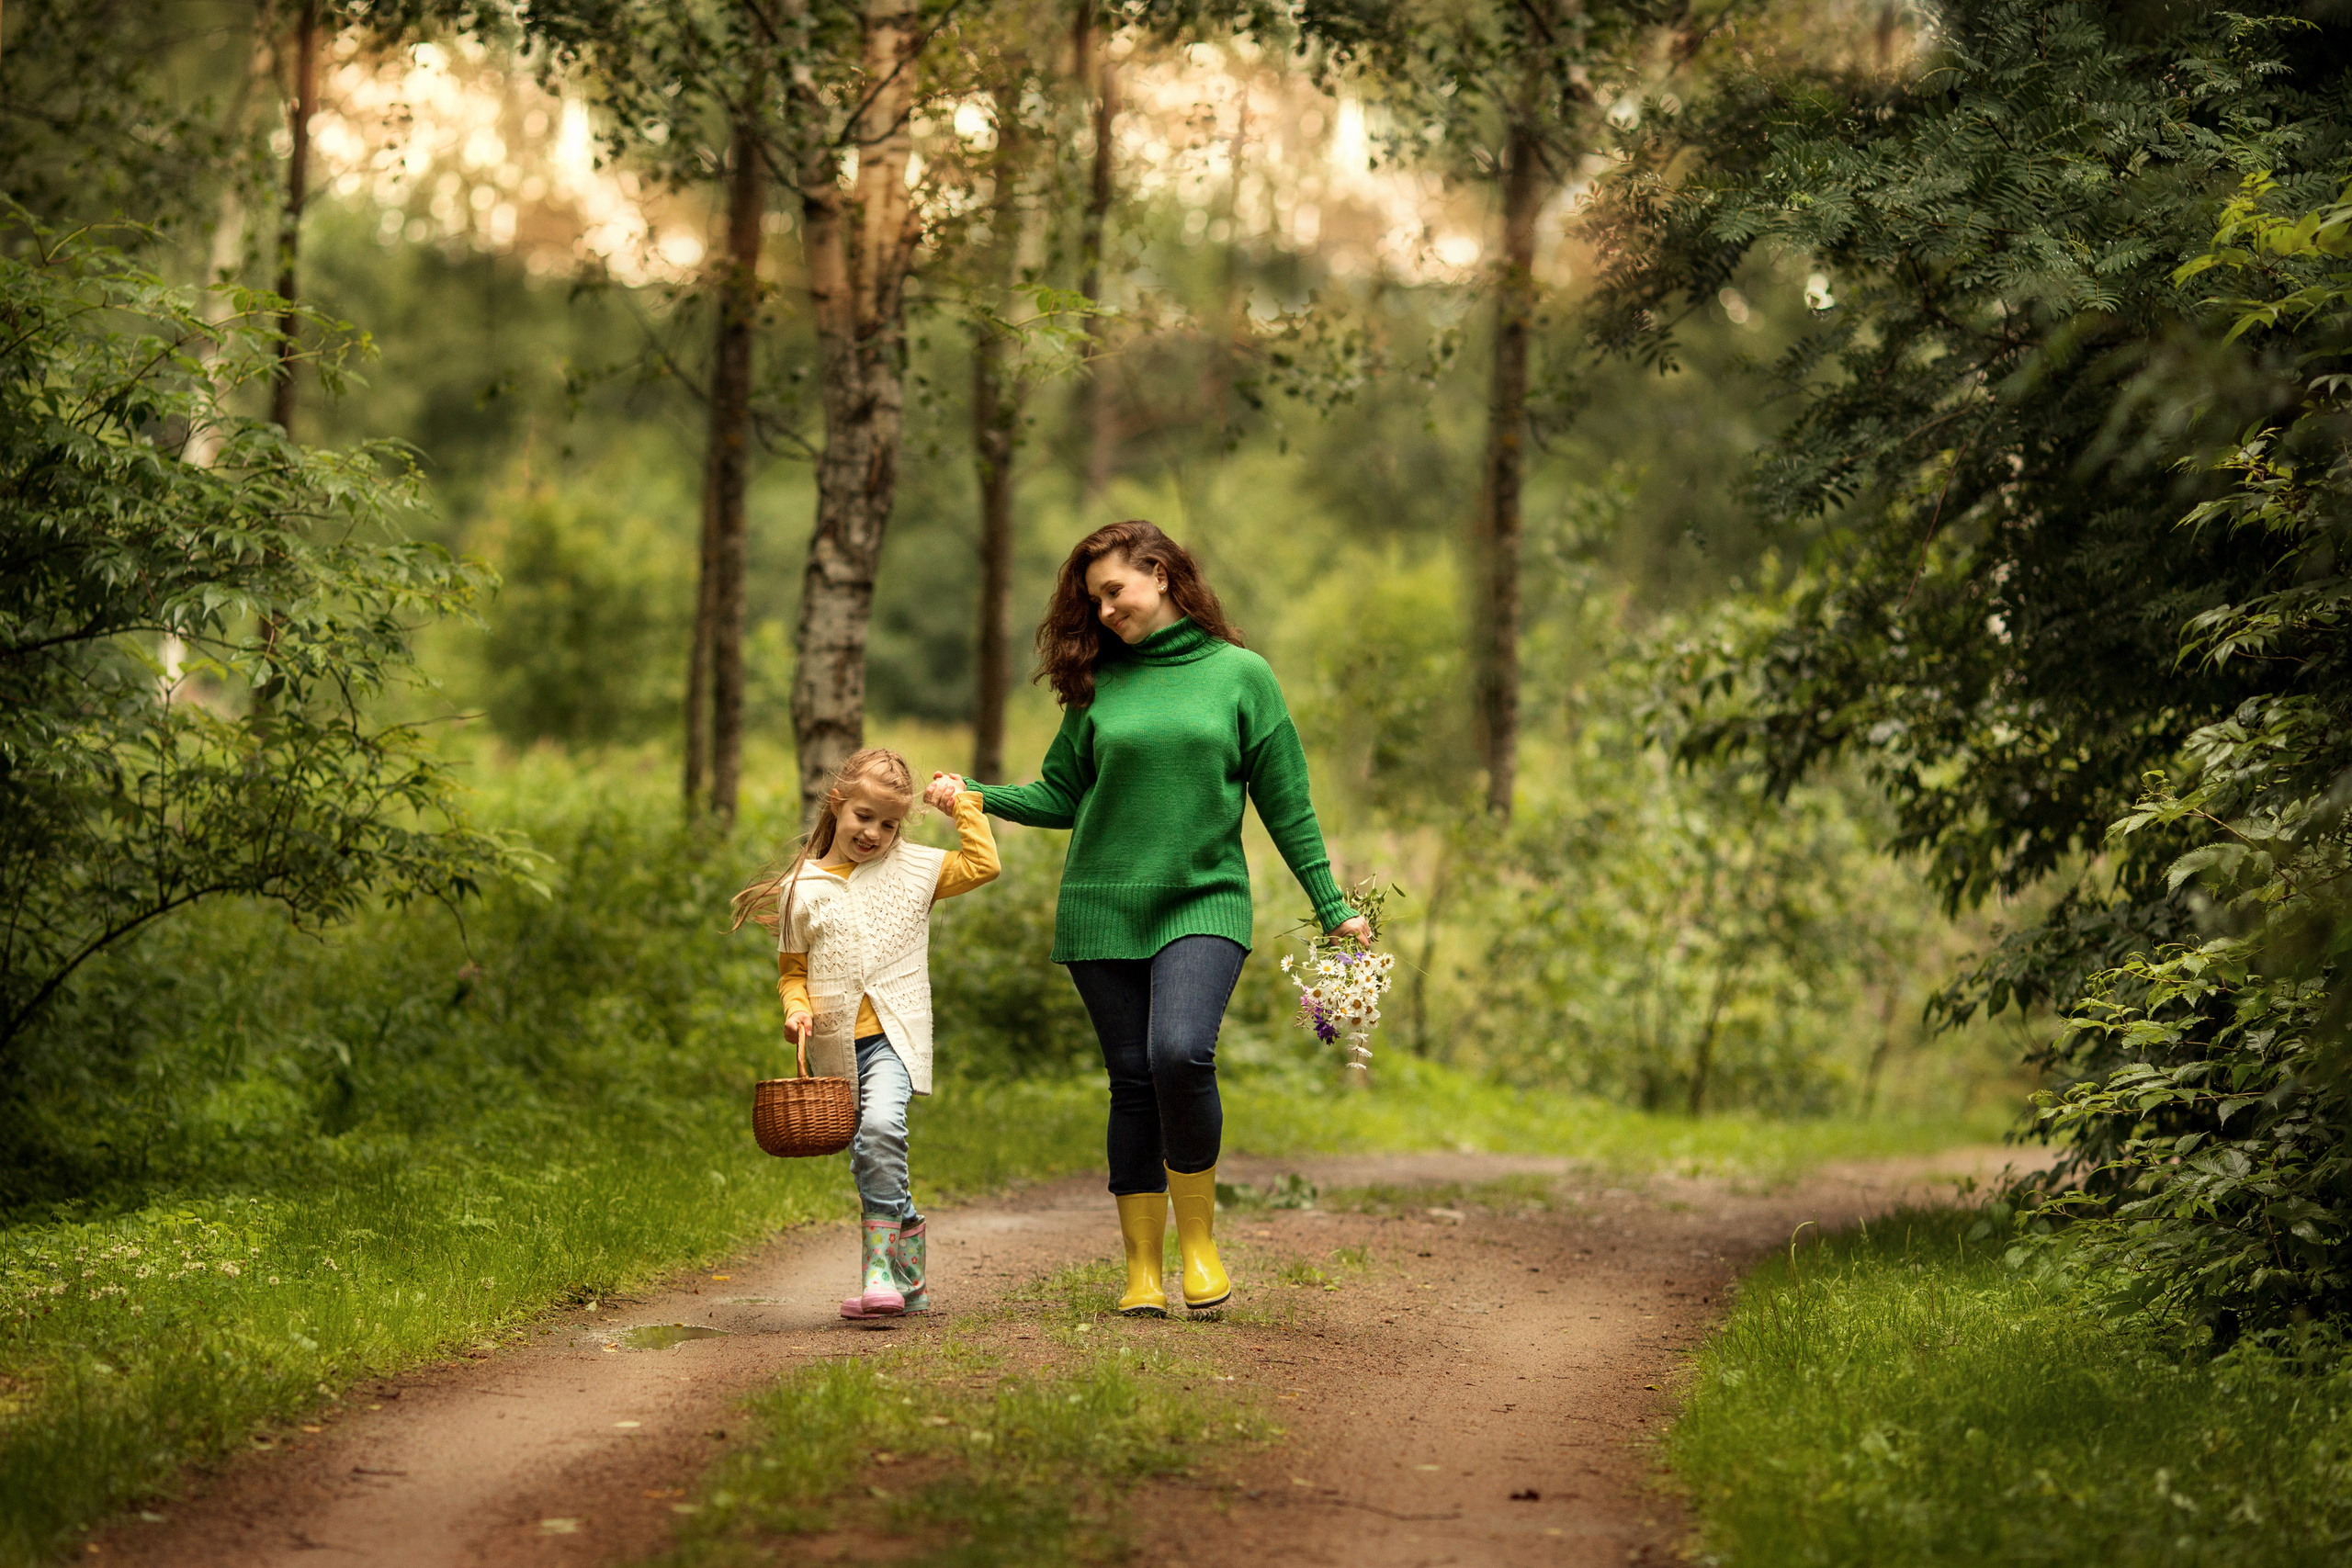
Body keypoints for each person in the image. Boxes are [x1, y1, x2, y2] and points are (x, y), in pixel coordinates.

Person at [969, 521, 1371, 1316]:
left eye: (1114, 590)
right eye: (1094, 601)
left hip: (1203, 898)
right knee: (1132, 1081)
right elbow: (1060, 794)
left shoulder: (1241, 676)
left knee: (1180, 1051)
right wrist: (978, 796)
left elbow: (1285, 800)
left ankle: (1199, 1246)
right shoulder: (1100, 686)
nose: (1106, 610)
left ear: (1158, 572)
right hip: (1102, 904)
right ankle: (1141, 1273)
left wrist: (1333, 906)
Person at [730, 749, 999, 1320]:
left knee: (880, 1130)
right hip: (834, 1046)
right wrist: (795, 1009)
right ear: (837, 804)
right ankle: (911, 1281)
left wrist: (963, 806)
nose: (873, 832)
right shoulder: (802, 887)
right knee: (870, 1155)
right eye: (863, 816)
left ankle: (877, 1273)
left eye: (889, 823)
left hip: (893, 1037)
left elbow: (982, 865)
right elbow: (792, 972)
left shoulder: (915, 871)